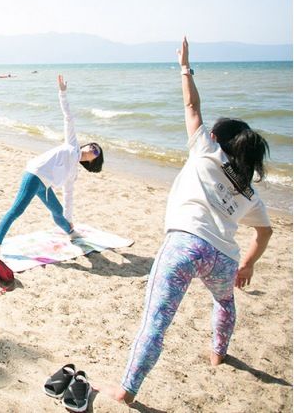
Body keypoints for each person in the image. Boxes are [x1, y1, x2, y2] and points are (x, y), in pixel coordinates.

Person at [99, 38, 273, 406]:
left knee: (156, 321)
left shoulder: (205, 150)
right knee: (224, 302)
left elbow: (192, 105)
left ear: (218, 140)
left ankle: (127, 391)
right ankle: (218, 353)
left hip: (184, 244)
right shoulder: (249, 194)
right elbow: (265, 231)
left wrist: (185, 65)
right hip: (223, 258)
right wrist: (248, 264)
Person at [0, 75, 102, 246]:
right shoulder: (72, 144)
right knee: (17, 210)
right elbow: (68, 117)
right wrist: (62, 93)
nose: (91, 148)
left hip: (44, 185)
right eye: (92, 145)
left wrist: (69, 219)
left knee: (58, 210)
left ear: (92, 161)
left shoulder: (73, 173)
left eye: (95, 151)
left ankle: (71, 232)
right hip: (34, 174)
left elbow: (69, 195)